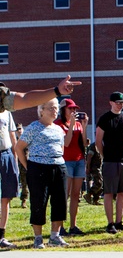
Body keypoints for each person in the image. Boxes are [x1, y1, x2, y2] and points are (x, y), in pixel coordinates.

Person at [14, 99, 69, 249]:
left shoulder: (58, 129)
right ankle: (38, 238)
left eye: (56, 108)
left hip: (58, 167)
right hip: (38, 167)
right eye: (51, 108)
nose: (54, 111)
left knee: (60, 202)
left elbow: (61, 147)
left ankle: (55, 236)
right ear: (42, 110)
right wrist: (28, 166)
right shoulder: (33, 127)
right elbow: (19, 148)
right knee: (39, 202)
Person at [95, 91, 123, 234]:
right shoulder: (104, 119)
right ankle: (110, 223)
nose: (120, 105)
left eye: (122, 103)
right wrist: (104, 154)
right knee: (109, 193)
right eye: (117, 102)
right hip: (110, 161)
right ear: (111, 102)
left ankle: (119, 222)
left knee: (122, 193)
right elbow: (98, 140)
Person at [54, 98, 87, 236]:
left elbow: (84, 143)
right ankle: (60, 227)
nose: (73, 111)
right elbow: (66, 143)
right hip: (65, 161)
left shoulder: (78, 124)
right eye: (70, 109)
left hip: (79, 160)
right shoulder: (58, 124)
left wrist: (84, 126)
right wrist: (72, 125)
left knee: (75, 195)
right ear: (63, 110)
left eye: (75, 109)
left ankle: (73, 225)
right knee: (64, 194)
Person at [0, 107, 18, 249]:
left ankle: (1, 236)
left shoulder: (7, 112)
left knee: (6, 197)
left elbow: (12, 136)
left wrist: (15, 160)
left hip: (6, 154)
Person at [84, 139, 103, 205]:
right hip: (94, 168)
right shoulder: (93, 146)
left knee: (101, 184)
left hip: (98, 167)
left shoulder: (101, 145)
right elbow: (89, 157)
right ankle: (89, 194)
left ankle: (95, 199)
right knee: (99, 183)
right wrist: (87, 168)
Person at [16, 123, 28, 209]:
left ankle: (24, 200)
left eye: (20, 129)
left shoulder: (27, 140)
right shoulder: (13, 140)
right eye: (17, 129)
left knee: (26, 183)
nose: (19, 131)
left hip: (27, 164)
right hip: (17, 164)